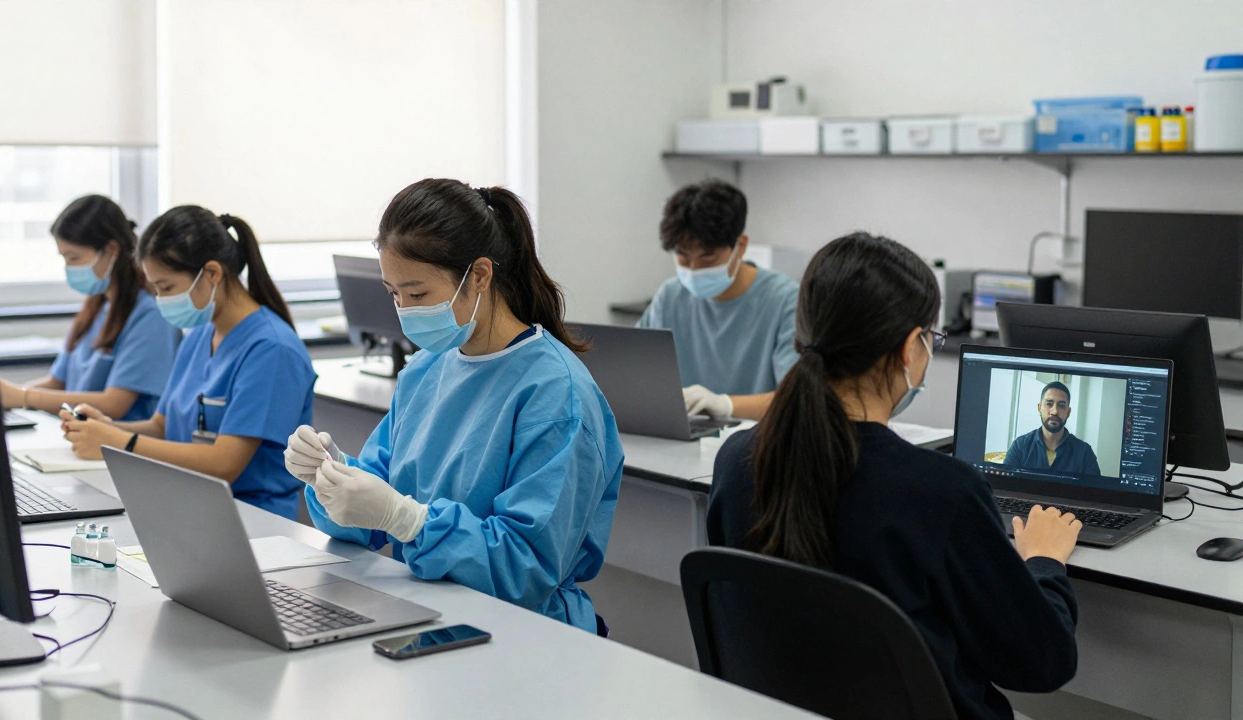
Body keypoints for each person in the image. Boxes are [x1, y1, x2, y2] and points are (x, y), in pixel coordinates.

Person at [706, 232, 1081, 720]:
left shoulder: (737, 459)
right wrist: (1045, 563)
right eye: (932, 338)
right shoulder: (942, 493)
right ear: (911, 348)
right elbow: (1042, 663)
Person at [284, 179, 624, 633]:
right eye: (393, 293)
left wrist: (408, 520)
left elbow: (525, 569)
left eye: (418, 294)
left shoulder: (555, 393)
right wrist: (330, 476)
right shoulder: (426, 371)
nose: (404, 310)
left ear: (479, 275)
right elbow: (372, 509)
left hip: (525, 635)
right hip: (426, 612)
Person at [60, 206, 316, 519]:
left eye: (166, 287)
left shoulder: (272, 350)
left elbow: (224, 464)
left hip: (254, 520)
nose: (160, 300)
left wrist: (119, 441)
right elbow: (161, 426)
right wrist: (106, 429)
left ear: (212, 274)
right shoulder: (200, 334)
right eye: (155, 288)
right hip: (188, 507)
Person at [0, 195, 180, 421]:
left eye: (74, 258)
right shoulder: (96, 307)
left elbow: (114, 404)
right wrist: (1, 396)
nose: (68, 268)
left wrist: (22, 396)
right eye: (64, 258)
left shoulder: (151, 316)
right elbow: (57, 381)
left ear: (111, 250)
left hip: (116, 447)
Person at [637, 179, 798, 421]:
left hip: (756, 442)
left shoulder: (786, 301)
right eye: (682, 255)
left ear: (740, 246)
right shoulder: (670, 297)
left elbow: (797, 401)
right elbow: (633, 376)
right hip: (680, 440)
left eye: (708, 257)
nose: (694, 268)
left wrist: (724, 405)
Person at [1002, 382, 1101, 476]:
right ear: (1039, 408)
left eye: (1061, 405)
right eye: (1049, 404)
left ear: (1068, 412)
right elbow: (1005, 487)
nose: (1054, 411)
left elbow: (1094, 492)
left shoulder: (1084, 453)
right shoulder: (1020, 447)